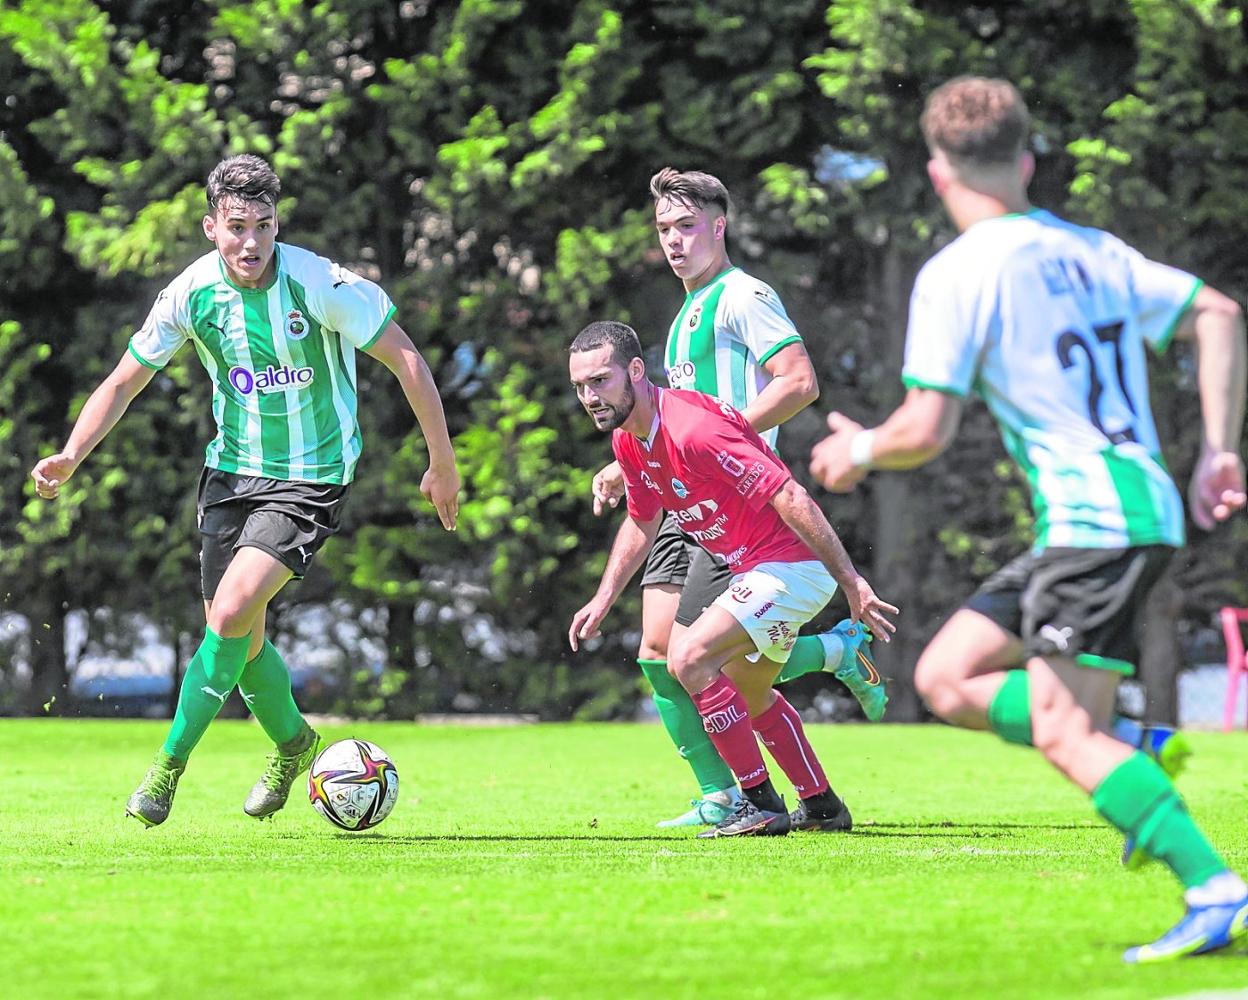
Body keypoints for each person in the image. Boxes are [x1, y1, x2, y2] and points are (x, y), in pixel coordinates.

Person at [808, 77, 1247, 962]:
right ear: (1027, 159)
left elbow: (924, 431)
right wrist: (1218, 450)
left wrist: (855, 453)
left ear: (939, 173)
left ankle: (1213, 886)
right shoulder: (1093, 248)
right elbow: (1219, 310)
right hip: (1123, 510)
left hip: (1096, 521)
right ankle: (1135, 749)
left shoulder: (958, 272)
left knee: (1059, 729)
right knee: (944, 675)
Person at [30, 154, 461, 827]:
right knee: (243, 640)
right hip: (231, 476)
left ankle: (167, 768)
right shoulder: (191, 294)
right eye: (237, 226)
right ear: (211, 227)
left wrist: (443, 461)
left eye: (264, 225)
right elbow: (123, 380)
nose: (252, 242)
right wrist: (72, 453)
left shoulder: (319, 283)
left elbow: (406, 357)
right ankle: (295, 746)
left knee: (228, 616)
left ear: (278, 223)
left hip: (311, 477)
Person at [590, 168, 886, 831]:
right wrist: (624, 468)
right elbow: (660, 419)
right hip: (690, 497)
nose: (673, 240)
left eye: (686, 226)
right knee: (662, 654)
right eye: (664, 229)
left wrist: (727, 439)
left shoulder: (741, 296)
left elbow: (800, 380)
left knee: (703, 663)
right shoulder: (686, 314)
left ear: (718, 227)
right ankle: (759, 790)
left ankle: (747, 790)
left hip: (738, 503)